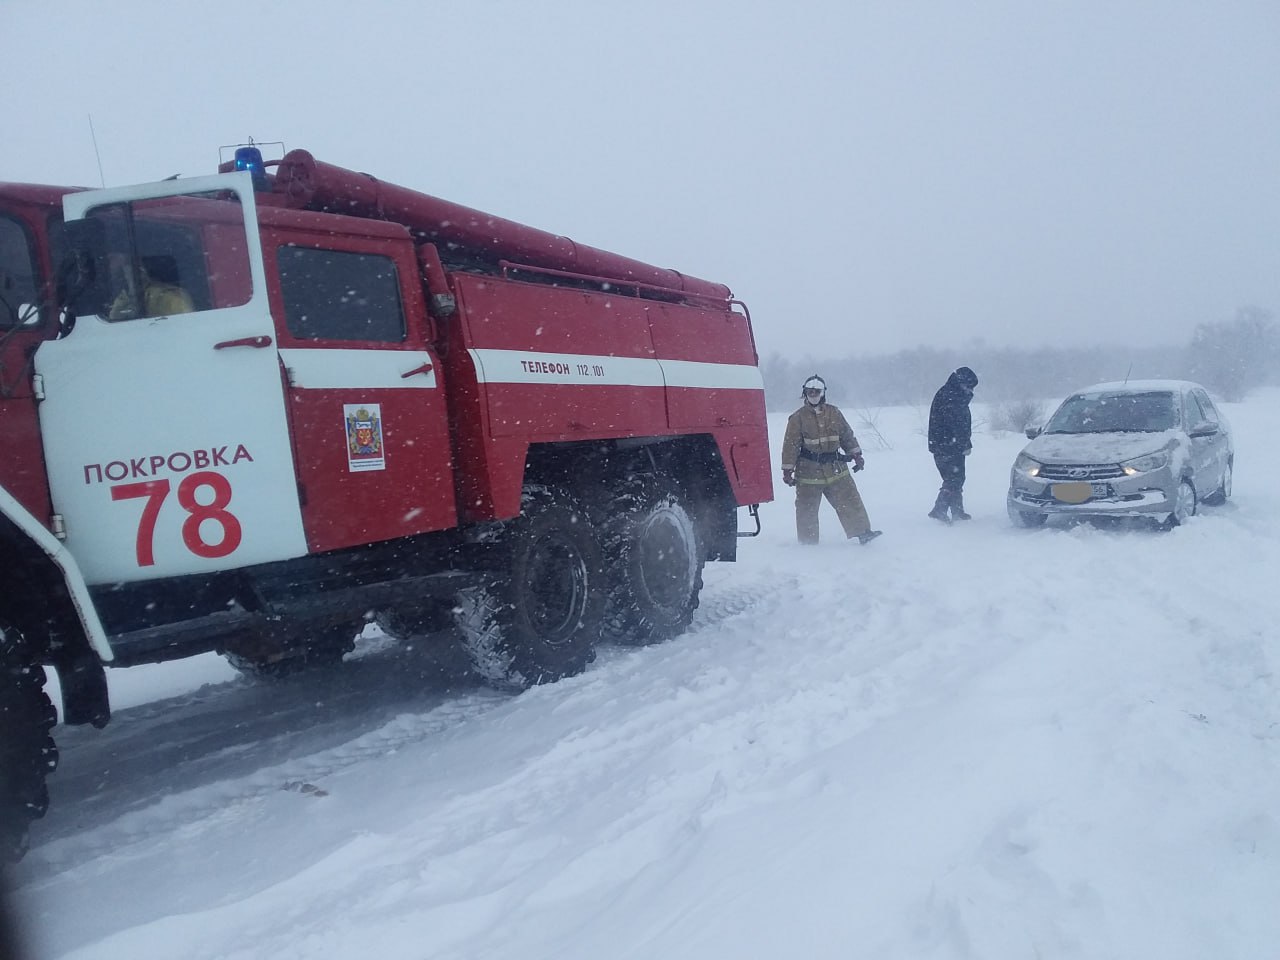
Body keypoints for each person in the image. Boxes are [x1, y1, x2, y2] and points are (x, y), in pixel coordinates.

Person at [780, 375, 882, 545]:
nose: (813, 394)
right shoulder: (797, 418)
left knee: (850, 500)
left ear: (823, 393)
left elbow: (847, 435)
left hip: (836, 469)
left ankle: (863, 532)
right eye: (809, 391)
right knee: (807, 509)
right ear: (804, 393)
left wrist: (856, 454)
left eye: (816, 391)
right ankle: (808, 545)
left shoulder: (834, 413)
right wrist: (787, 470)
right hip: (808, 472)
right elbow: (790, 445)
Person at [927, 366, 979, 522]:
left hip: (945, 444)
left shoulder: (950, 393)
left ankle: (957, 511)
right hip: (948, 445)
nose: (970, 390)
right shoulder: (951, 397)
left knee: (956, 477)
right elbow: (957, 424)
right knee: (953, 479)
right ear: (961, 382)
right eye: (969, 386)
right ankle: (939, 510)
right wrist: (964, 444)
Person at [108, 255, 193, 319]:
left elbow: (186, 328)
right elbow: (114, 319)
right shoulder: (123, 298)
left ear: (142, 270)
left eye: (127, 266)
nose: (112, 267)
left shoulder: (171, 299)